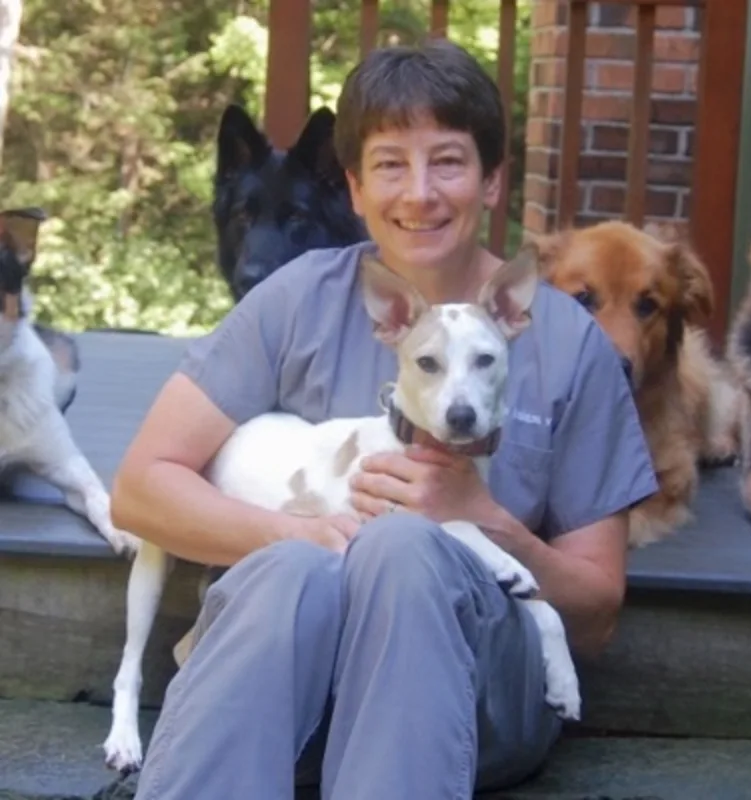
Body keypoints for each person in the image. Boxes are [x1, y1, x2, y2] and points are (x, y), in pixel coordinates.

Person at [112, 38, 657, 800]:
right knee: (298, 565)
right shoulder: (297, 298)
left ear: (493, 179)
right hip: (285, 691)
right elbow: (140, 491)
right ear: (356, 187)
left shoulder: (567, 343)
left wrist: (482, 519)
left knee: (402, 549)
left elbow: (597, 614)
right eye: (391, 164)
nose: (419, 193)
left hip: (472, 704)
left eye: (449, 161)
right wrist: (305, 533)